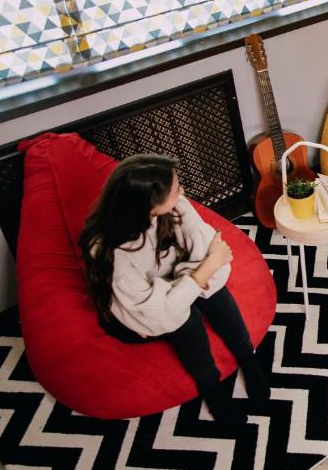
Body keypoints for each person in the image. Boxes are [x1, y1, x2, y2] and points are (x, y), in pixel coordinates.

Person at [79, 155, 268, 427]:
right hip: (138, 317)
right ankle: (211, 386)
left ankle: (248, 360)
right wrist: (201, 271)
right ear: (150, 208)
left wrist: (196, 274)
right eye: (175, 189)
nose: (181, 192)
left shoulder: (175, 205)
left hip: (170, 285)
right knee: (185, 316)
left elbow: (210, 254)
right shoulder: (112, 252)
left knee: (214, 291)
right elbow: (159, 315)